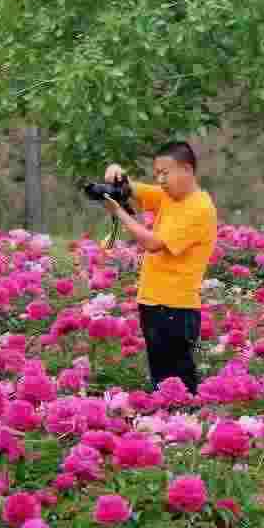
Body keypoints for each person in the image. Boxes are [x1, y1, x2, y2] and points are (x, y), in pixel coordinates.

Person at [100, 141, 219, 396]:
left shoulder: (199, 208)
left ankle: (184, 420)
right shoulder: (169, 196)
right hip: (154, 303)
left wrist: (119, 213)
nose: (160, 180)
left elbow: (153, 244)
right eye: (157, 174)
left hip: (175, 308)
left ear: (187, 170)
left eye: (166, 173)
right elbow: (132, 188)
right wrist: (115, 172)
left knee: (178, 385)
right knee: (160, 381)